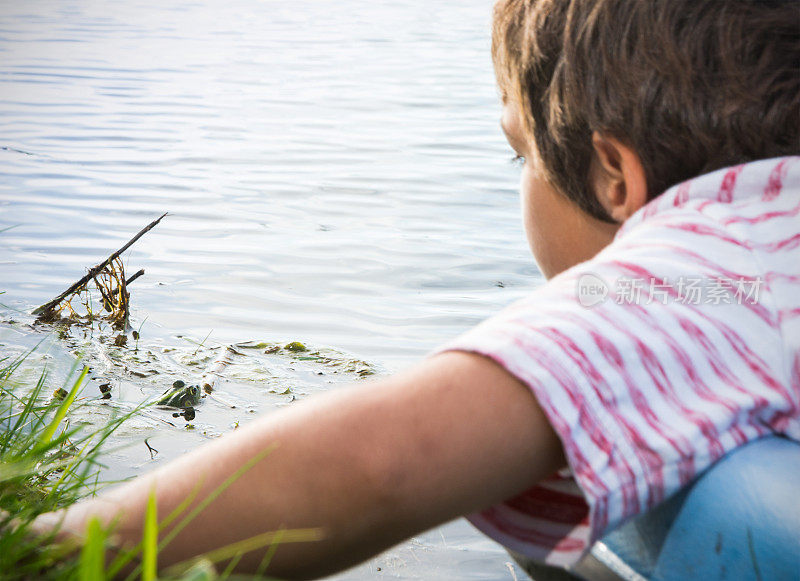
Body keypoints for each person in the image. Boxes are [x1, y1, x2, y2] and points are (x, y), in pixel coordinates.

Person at [34, 0, 800, 578]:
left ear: (614, 176)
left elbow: (380, 465)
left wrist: (53, 547)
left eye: (519, 155)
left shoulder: (699, 270)